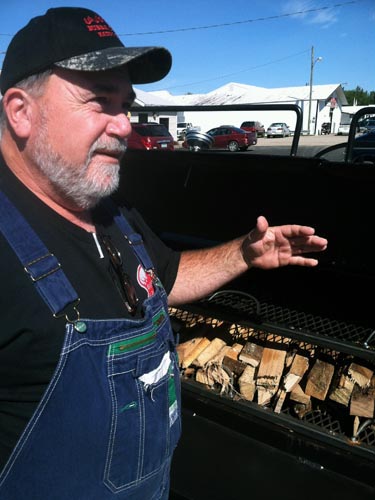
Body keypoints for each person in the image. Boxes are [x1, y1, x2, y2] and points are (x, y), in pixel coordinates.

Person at [0, 7, 328, 499]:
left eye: (126, 104)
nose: (125, 126)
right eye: (100, 101)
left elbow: (167, 278)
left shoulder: (112, 210)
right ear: (21, 111)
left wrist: (244, 253)